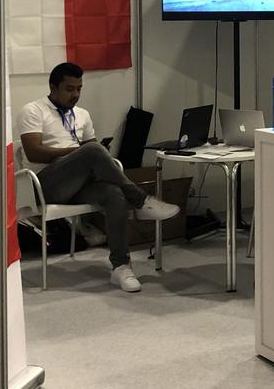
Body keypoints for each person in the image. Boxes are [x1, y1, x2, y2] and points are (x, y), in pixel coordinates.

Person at [19, 62, 179, 292]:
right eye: (69, 89)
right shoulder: (33, 110)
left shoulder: (82, 114)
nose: (75, 94)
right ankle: (141, 200)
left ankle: (121, 267)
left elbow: (93, 156)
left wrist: (92, 155)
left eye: (79, 89)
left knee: (114, 194)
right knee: (92, 150)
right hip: (44, 185)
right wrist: (79, 153)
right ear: (53, 87)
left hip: (77, 185)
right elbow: (33, 152)